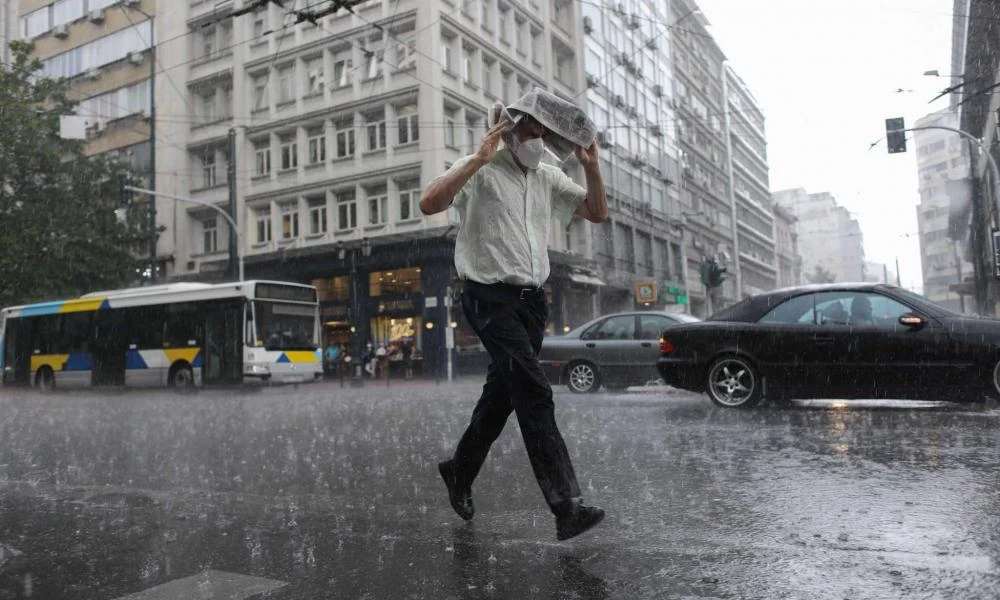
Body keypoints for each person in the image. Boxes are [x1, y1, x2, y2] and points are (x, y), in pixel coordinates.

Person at [420, 90, 608, 541]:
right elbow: (430, 203)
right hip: (488, 297)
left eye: (545, 132)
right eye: (531, 130)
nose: (538, 139)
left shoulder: (546, 176)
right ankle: (567, 506)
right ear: (510, 128)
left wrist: (591, 164)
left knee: (501, 397)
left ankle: (459, 471)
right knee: (534, 391)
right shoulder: (482, 169)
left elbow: (597, 212)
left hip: (530, 303)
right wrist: (477, 159)